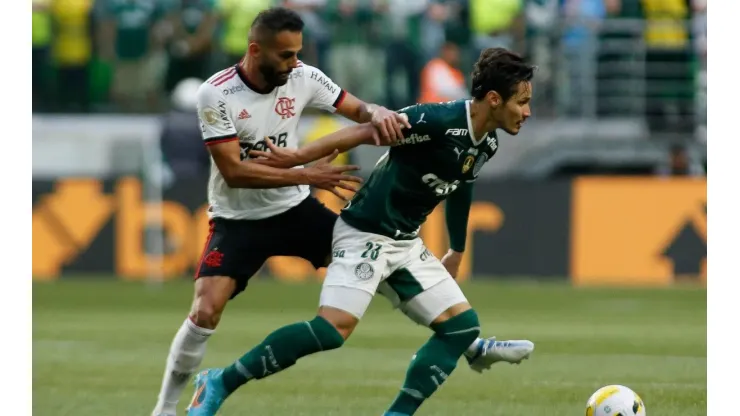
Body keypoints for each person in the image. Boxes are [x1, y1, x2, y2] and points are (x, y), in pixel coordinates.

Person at [186, 47, 537, 416]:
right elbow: (365, 131)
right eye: (522, 102)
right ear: (494, 99)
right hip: (365, 233)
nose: (527, 112)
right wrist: (296, 158)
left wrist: (457, 249)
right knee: (331, 331)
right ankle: (220, 380)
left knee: (462, 327)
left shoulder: (489, 142)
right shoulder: (436, 120)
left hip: (404, 241)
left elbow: (463, 184)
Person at [150, 7, 411, 416]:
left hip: (294, 211)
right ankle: (165, 410)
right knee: (204, 311)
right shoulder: (215, 94)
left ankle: (458, 334)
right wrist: (308, 174)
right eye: (285, 55)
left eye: (297, 53)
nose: (294, 63)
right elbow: (235, 172)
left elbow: (357, 109)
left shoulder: (304, 76)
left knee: (378, 264)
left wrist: (375, 111)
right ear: (256, 50)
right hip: (237, 221)